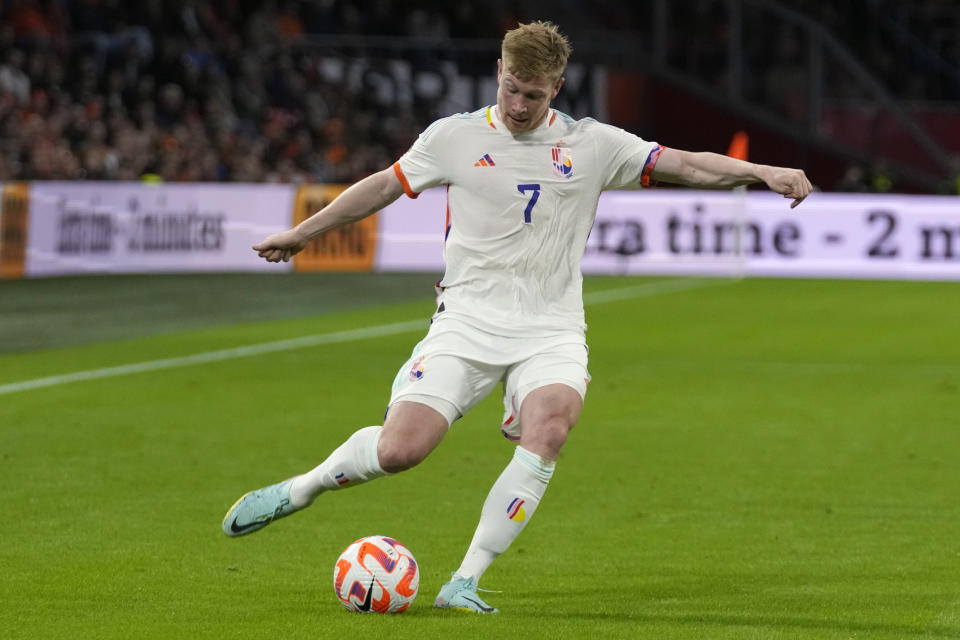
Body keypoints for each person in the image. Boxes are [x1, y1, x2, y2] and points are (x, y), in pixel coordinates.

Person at [222, 20, 812, 614]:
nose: (519, 105)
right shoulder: (453, 137)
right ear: (499, 75)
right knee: (402, 451)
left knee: (551, 427)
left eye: (533, 94)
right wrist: (302, 234)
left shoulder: (592, 144)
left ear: (556, 87)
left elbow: (688, 165)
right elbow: (380, 188)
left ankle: (464, 580)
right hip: (467, 322)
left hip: (551, 327)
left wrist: (763, 173)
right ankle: (301, 489)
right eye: (510, 89)